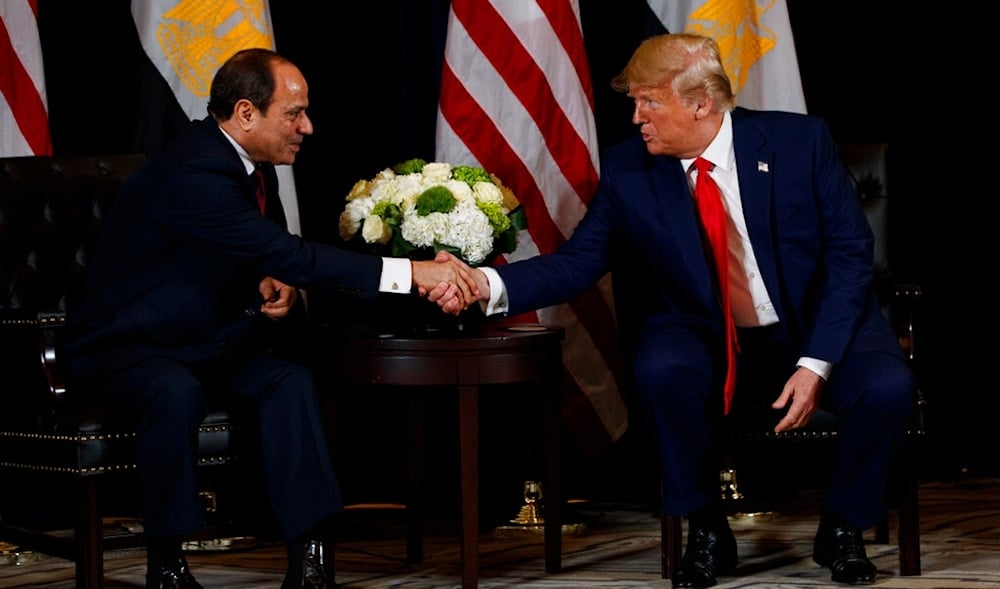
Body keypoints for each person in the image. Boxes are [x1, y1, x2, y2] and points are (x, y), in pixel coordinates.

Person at [433, 33, 914, 587]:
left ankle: (843, 528)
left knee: (887, 388)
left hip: (815, 321)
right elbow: (576, 264)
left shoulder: (798, 142)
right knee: (662, 369)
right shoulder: (629, 170)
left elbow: (852, 257)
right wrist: (481, 283)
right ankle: (706, 527)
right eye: (634, 102)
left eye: (649, 102)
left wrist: (815, 363)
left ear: (701, 103)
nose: (637, 117)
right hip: (704, 329)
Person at [62, 48, 474, 589]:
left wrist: (273, 281)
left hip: (203, 338)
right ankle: (167, 563)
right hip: (127, 345)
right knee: (175, 390)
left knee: (290, 382)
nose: (307, 126)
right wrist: (412, 274)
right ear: (246, 113)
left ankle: (311, 559)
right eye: (293, 113)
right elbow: (288, 252)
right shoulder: (196, 167)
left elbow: (247, 255)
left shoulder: (250, 164)